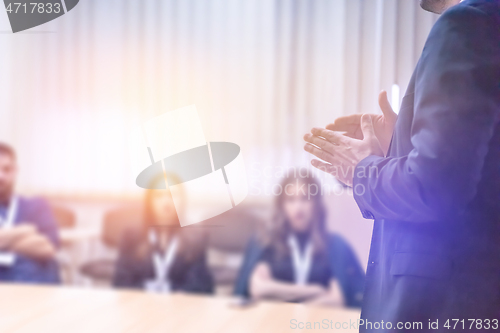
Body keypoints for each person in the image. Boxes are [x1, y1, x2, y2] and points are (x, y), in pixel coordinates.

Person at [304, 0, 500, 330]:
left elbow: (434, 187)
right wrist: (398, 144)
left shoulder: (466, 23)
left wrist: (359, 169)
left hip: (439, 308)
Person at [235, 172, 364, 307]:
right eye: (291, 200)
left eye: (305, 199)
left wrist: (292, 307)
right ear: (281, 205)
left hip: (319, 323)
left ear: (316, 203)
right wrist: (316, 291)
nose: (298, 208)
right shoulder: (266, 242)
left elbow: (337, 299)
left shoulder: (334, 246)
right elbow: (259, 289)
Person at [113, 174, 213, 294]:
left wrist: (167, 292)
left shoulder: (197, 238)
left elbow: (200, 285)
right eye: (159, 195)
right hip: (140, 306)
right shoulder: (131, 236)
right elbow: (121, 281)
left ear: (182, 199)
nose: (166, 202)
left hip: (180, 307)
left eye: (172, 195)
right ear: (149, 201)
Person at [0, 143, 60, 283]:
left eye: (7, 169)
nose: (1, 176)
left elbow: (48, 248)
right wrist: (25, 231)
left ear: (15, 171)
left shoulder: (37, 205)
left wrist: (4, 239)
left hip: (34, 284)